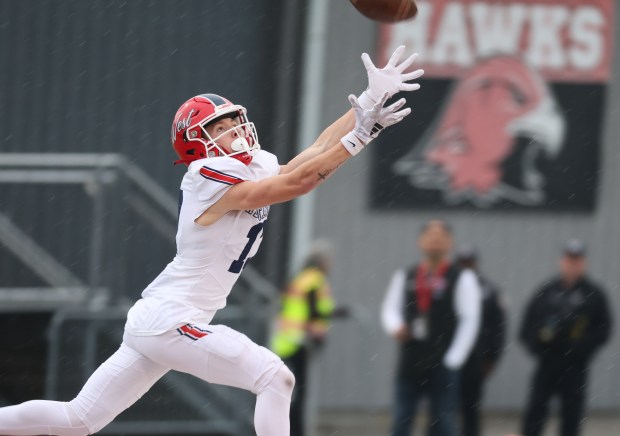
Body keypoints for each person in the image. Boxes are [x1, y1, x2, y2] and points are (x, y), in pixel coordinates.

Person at [0, 45, 423, 436]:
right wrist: (361, 137)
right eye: (220, 127)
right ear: (198, 143)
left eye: (235, 121)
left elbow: (312, 152)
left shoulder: (252, 164)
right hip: (170, 317)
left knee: (78, 419)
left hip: (166, 317)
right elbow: (298, 183)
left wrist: (366, 101)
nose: (236, 130)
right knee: (276, 378)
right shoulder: (204, 176)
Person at [381, 220, 481, 436]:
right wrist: (396, 327)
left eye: (440, 237)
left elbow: (470, 320)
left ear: (449, 242)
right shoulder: (406, 275)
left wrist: (454, 359)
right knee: (402, 419)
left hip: (443, 360)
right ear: (420, 241)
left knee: (443, 421)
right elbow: (390, 308)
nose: (435, 241)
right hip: (411, 359)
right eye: (430, 236)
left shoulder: (462, 277)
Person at [519, 239, 612, 436]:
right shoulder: (547, 291)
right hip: (547, 362)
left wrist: (582, 345)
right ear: (562, 261)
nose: (572, 265)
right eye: (569, 260)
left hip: (575, 365)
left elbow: (604, 329)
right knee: (536, 411)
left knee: (572, 415)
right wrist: (539, 342)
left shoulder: (593, 294)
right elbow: (527, 325)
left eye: (577, 260)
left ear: (584, 263)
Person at [271, 239, 347, 436]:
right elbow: (315, 311)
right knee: (298, 395)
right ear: (321, 261)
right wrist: (339, 313)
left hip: (287, 341)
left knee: (288, 393)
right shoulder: (314, 280)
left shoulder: (301, 277)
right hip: (299, 343)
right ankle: (295, 432)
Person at [456, 245, 506, 436]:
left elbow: (498, 327)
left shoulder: (488, 290)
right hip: (450, 360)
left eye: (469, 263)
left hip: (476, 359)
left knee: (471, 409)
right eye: (462, 264)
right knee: (442, 410)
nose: (466, 268)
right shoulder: (448, 286)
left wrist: (492, 358)